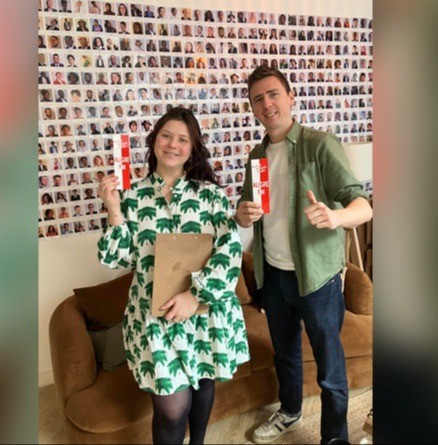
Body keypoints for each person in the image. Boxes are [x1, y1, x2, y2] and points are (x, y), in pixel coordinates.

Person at [235, 66, 372, 445]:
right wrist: (242, 214)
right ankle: (290, 410)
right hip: (274, 276)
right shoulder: (257, 157)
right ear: (252, 108)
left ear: (290, 97)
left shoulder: (320, 144)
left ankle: (334, 438)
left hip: (318, 278)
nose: (267, 104)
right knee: (285, 355)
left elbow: (363, 205)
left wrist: (336, 217)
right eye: (258, 98)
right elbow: (247, 211)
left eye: (273, 94)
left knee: (329, 366)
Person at [97, 107, 249, 445]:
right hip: (155, 317)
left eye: (183, 139)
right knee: (171, 408)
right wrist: (114, 211)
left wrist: (195, 295)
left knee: (205, 380)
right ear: (154, 141)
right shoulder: (131, 196)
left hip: (204, 312)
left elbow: (229, 250)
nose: (173, 144)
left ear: (192, 149)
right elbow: (115, 258)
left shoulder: (210, 195)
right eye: (166, 136)